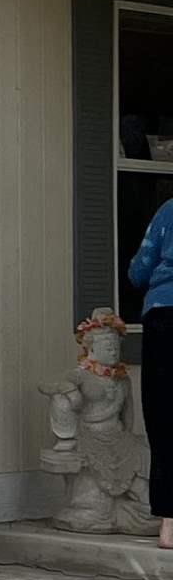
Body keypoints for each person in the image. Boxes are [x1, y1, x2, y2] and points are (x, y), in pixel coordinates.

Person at [127, 196, 173, 548]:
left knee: (164, 416)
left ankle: (170, 525)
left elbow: (139, 270)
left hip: (164, 316)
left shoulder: (168, 210)